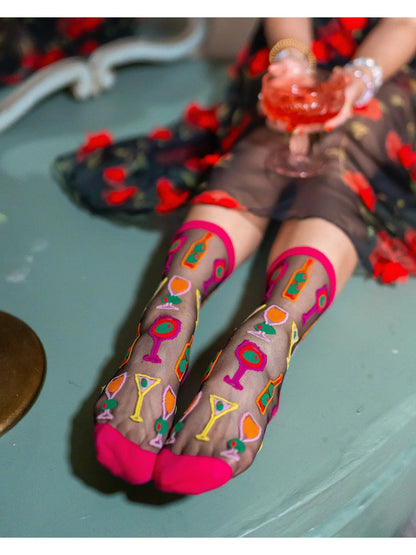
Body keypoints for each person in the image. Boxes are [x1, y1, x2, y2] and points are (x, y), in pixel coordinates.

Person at [58, 18, 416, 495]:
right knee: (272, 134)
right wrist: (292, 59)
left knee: (349, 143)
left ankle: (262, 335)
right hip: (304, 40)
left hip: (393, 60)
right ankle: (177, 324)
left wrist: (359, 78)